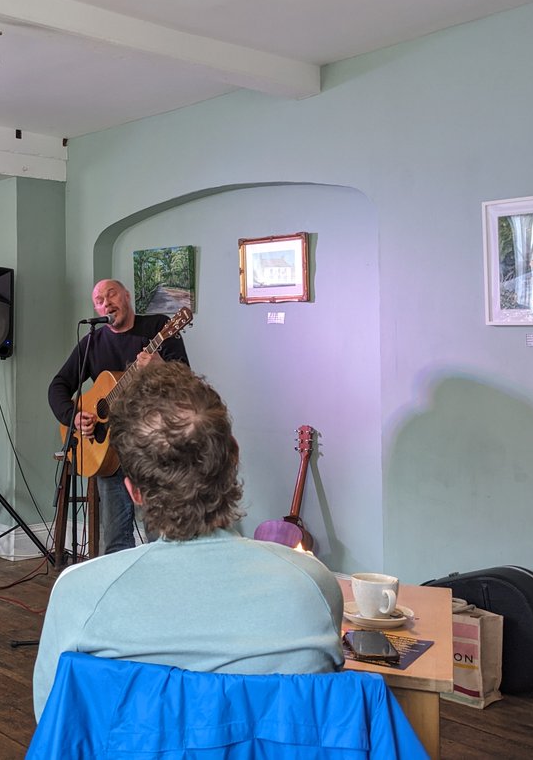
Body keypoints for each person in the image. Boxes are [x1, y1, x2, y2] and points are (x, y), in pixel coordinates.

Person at [33, 363, 344, 720]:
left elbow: (53, 726)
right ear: (234, 458)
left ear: (133, 491)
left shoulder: (76, 594)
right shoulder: (314, 585)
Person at [48, 279, 189, 554]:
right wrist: (73, 417)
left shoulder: (159, 327)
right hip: (109, 453)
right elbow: (58, 386)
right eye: (99, 300)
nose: (106, 302)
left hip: (153, 447)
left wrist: (160, 366)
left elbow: (186, 381)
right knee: (114, 540)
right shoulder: (93, 341)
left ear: (126, 296)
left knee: (160, 535)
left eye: (111, 294)